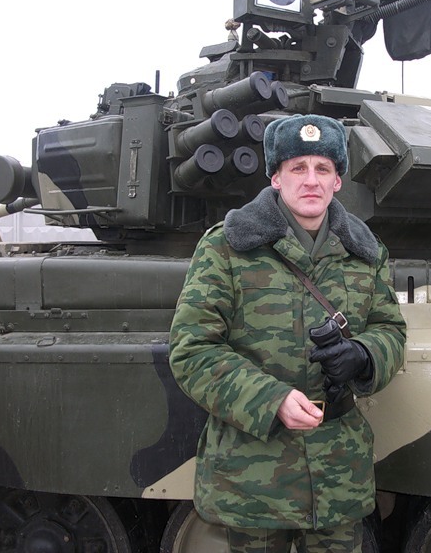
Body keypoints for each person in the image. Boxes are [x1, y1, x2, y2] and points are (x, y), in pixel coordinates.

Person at [169, 113, 406, 553]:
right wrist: (270, 399)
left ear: (338, 181)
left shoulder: (364, 250)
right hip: (253, 474)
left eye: (323, 169)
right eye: (298, 167)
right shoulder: (228, 246)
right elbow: (192, 348)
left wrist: (365, 355)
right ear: (276, 177)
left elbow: (390, 328)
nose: (311, 180)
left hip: (339, 470)